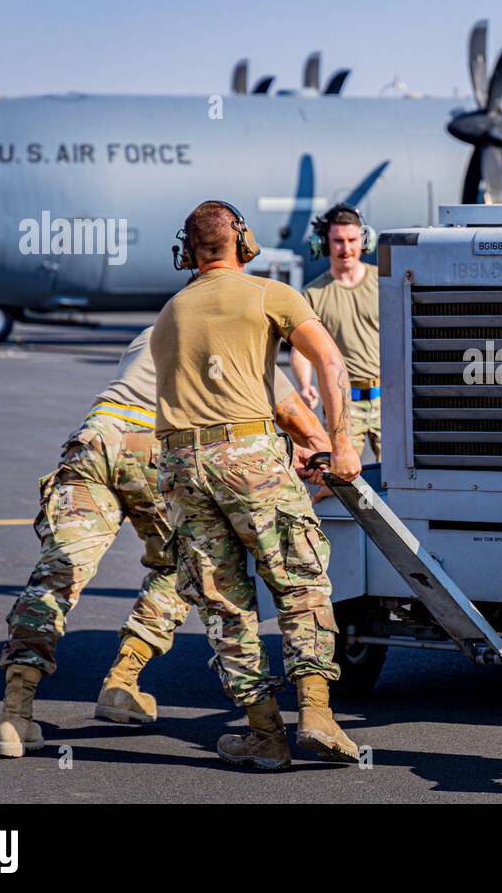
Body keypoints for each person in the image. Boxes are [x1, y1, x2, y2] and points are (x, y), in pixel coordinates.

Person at [0, 326, 328, 759]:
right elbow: (290, 410)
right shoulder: (234, 334)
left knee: (56, 576)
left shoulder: (153, 330)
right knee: (181, 566)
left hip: (94, 440)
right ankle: (122, 682)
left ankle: (14, 715)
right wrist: (320, 449)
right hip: (153, 445)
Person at [153, 199, 362, 771]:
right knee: (299, 581)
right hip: (248, 458)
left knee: (224, 605)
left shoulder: (171, 312)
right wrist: (339, 444)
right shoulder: (271, 294)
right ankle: (316, 714)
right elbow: (330, 364)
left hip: (179, 468)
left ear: (187, 252)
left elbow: (220, 384)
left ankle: (265, 734)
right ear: (242, 242)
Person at [291, 203, 380, 464]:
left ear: (364, 241)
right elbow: (301, 351)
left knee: (401, 478)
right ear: (324, 243)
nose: (346, 248)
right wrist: (305, 385)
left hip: (388, 401)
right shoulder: (313, 294)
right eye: (338, 241)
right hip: (343, 405)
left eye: (352, 240)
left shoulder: (384, 283)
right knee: (343, 477)